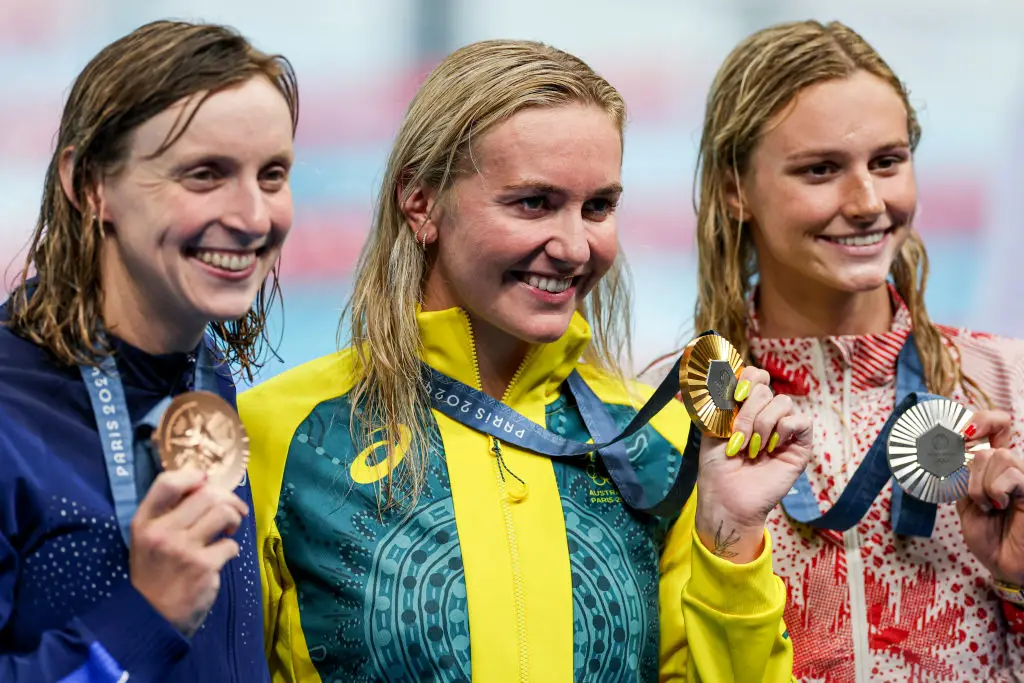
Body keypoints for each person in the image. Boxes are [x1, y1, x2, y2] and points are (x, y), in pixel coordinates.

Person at [241, 38, 812, 683]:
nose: (573, 246)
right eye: (533, 203)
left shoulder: (659, 443)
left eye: (597, 206)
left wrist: (730, 531)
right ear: (421, 203)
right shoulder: (276, 434)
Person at [687, 19, 1024, 681]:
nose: (869, 202)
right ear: (734, 189)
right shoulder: (676, 411)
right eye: (821, 169)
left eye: (888, 162)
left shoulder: (1008, 384)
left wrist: (1017, 583)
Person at [0, 20, 298, 682]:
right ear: (91, 186)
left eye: (272, 174)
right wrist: (142, 618)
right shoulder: (8, 413)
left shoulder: (202, 378)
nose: (253, 217)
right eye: (204, 174)